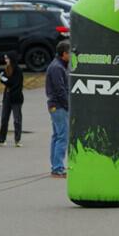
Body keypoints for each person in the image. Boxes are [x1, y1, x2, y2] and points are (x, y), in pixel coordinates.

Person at [45, 41, 70, 178]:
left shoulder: (60, 66)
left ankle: (55, 166)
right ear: (64, 53)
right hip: (59, 106)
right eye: (70, 53)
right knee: (62, 136)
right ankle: (58, 168)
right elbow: (60, 90)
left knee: (56, 136)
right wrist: (68, 105)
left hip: (57, 106)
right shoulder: (57, 68)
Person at [0, 54, 24, 147]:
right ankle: (1, 138)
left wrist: (6, 80)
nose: (5, 60)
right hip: (7, 96)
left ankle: (17, 139)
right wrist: (5, 80)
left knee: (17, 119)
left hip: (16, 97)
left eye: (7, 58)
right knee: (4, 118)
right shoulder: (6, 69)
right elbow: (3, 78)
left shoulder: (18, 70)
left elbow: (12, 82)